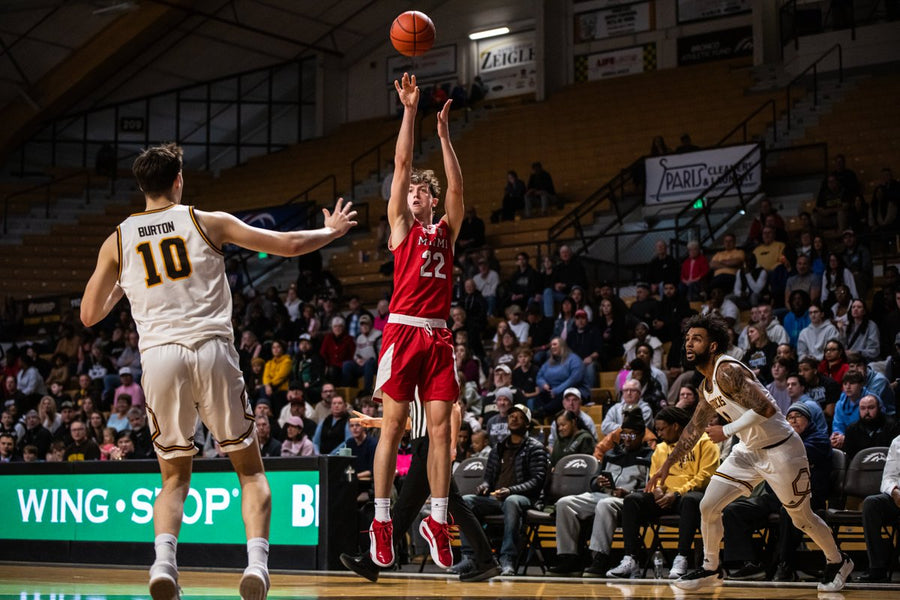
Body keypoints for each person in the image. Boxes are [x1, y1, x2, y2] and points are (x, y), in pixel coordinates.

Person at [79, 142, 357, 600]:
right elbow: (286, 245)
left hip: (160, 358)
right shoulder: (205, 220)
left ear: (140, 186)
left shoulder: (118, 239)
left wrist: (122, 287)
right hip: (212, 349)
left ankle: (164, 565)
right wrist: (329, 231)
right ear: (178, 180)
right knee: (249, 471)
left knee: (173, 478)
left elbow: (90, 314)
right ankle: (257, 565)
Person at [653, 314, 852, 592]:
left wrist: (727, 430)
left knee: (801, 517)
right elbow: (693, 429)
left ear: (712, 346)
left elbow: (766, 409)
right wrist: (667, 466)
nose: (689, 344)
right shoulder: (706, 385)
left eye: (696, 339)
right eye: (687, 339)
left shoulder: (727, 371)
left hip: (781, 449)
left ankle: (838, 560)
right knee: (708, 505)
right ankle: (711, 567)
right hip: (748, 450)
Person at [368, 74, 463, 571]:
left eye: (420, 194)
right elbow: (402, 164)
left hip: (439, 335)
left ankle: (437, 520)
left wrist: (445, 138)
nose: (413, 197)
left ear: (430, 199)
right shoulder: (401, 229)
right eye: (410, 194)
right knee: (394, 427)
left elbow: (457, 188)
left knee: (444, 432)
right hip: (403, 330)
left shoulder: (447, 230)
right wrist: (410, 110)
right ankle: (382, 520)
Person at [342, 398, 499, 584]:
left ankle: (372, 562)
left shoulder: (429, 379)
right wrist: (376, 421)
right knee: (420, 507)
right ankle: (486, 560)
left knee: (408, 507)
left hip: (430, 446)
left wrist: (451, 446)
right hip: (426, 443)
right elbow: (413, 422)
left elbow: (455, 409)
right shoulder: (419, 389)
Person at [721, 401, 832, 582]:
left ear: (809, 420)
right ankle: (751, 564)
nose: (793, 420)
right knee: (734, 510)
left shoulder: (819, 439)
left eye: (798, 416)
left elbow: (791, 455)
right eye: (789, 417)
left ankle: (784, 563)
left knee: (789, 510)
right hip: (775, 495)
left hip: (808, 497)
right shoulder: (779, 441)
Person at [606, 407, 718, 580]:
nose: (658, 434)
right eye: (657, 430)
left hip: (689, 497)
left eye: (661, 429)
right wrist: (658, 491)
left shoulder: (705, 442)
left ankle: (681, 558)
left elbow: (705, 477)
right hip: (665, 497)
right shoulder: (660, 448)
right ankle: (631, 558)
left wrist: (677, 494)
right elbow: (654, 477)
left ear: (675, 426)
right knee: (632, 500)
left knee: (690, 500)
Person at [549, 409, 652, 577]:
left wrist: (629, 492)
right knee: (565, 503)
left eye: (632, 436)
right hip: (604, 494)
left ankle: (600, 557)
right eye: (624, 435)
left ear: (641, 436)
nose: (626, 439)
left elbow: (649, 489)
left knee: (605, 504)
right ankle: (569, 557)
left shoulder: (649, 456)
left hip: (627, 500)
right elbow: (594, 483)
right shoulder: (611, 454)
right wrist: (597, 482)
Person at [464, 403, 548, 575]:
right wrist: (484, 486)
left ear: (527, 424)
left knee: (511, 501)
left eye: (519, 416)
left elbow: (537, 481)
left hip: (525, 499)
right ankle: (470, 557)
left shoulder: (536, 448)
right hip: (497, 498)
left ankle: (507, 558)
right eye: (511, 416)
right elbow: (488, 479)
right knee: (466, 502)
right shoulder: (498, 448)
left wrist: (511, 490)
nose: (513, 418)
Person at [858, 433, 900, 582]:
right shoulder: (897, 441)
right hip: (899, 498)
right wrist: (894, 491)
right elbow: (888, 477)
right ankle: (877, 568)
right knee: (872, 503)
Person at [843, 394, 900, 461]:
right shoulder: (851, 430)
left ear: (879, 408)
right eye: (863, 408)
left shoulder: (893, 427)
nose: (866, 412)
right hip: (860, 468)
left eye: (871, 408)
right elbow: (849, 457)